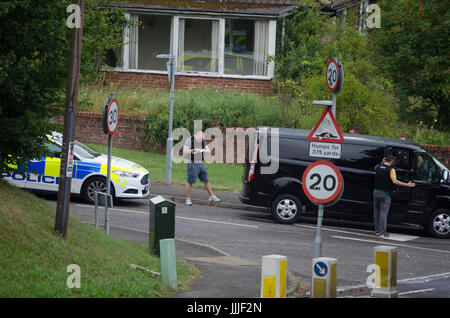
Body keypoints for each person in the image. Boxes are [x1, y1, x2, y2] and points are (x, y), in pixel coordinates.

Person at [373, 155, 415, 238]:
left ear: (385, 160)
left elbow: (378, 167)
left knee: (376, 211)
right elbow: (394, 181)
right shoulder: (391, 170)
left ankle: (377, 231)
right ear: (391, 161)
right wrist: (407, 185)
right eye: (394, 161)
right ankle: (383, 232)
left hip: (376, 192)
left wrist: (382, 162)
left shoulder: (377, 167)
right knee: (383, 213)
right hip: (385, 194)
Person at [183, 131, 221, 206]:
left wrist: (202, 150)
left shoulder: (202, 141)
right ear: (197, 136)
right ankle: (188, 199)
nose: (201, 140)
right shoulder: (189, 140)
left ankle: (211, 196)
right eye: (200, 138)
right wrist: (194, 150)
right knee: (190, 181)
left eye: (202, 139)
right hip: (192, 163)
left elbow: (208, 150)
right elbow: (185, 151)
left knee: (206, 179)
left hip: (200, 163)